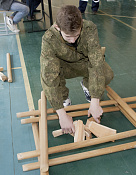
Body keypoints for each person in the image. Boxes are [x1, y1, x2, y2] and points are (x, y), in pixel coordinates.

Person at [40, 5, 114, 134]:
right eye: (68, 37)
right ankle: (63, 98)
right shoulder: (49, 38)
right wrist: (62, 115)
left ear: (81, 25)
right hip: (63, 68)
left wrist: (95, 100)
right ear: (58, 28)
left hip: (83, 63)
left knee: (107, 74)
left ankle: (87, 86)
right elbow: (49, 77)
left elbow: (96, 63)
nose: (73, 40)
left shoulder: (89, 28)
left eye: (76, 35)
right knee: (51, 74)